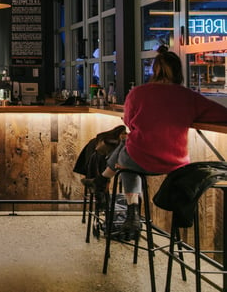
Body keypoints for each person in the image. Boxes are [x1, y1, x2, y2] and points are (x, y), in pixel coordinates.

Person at [85, 46, 227, 238]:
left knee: (128, 154)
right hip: (176, 164)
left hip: (139, 160)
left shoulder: (138, 93)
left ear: (154, 69)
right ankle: (102, 183)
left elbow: (128, 122)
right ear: (179, 71)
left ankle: (129, 210)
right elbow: (221, 114)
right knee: (127, 147)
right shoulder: (189, 97)